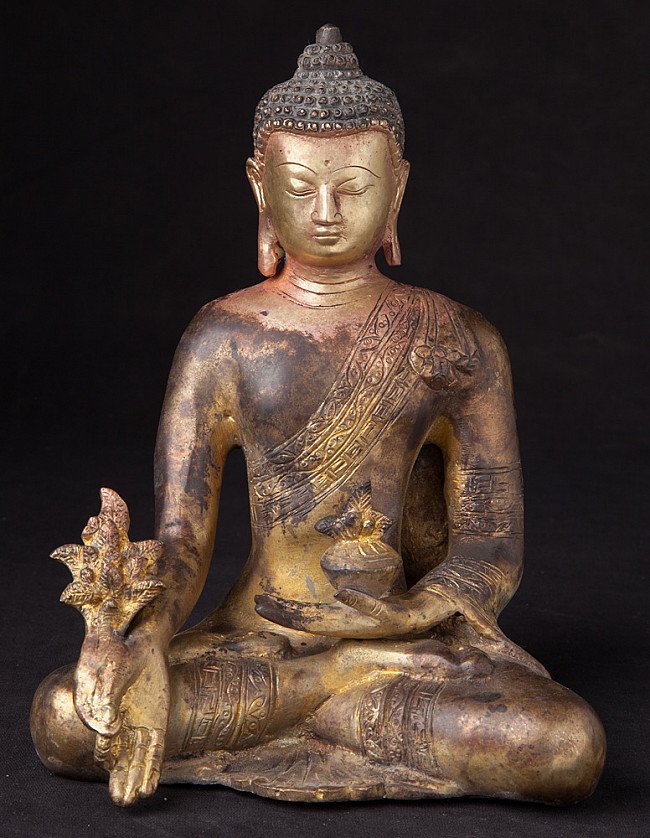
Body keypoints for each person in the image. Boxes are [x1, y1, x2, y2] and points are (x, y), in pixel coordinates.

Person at [31, 25, 605, 807]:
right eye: (300, 188)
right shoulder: (222, 337)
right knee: (67, 716)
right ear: (259, 188)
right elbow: (183, 542)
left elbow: (491, 545)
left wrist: (409, 615)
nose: (327, 212)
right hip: (262, 647)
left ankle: (333, 693)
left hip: (399, 649)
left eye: (354, 188)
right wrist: (137, 635)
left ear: (397, 189)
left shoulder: (458, 340)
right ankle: (332, 691)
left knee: (563, 744)